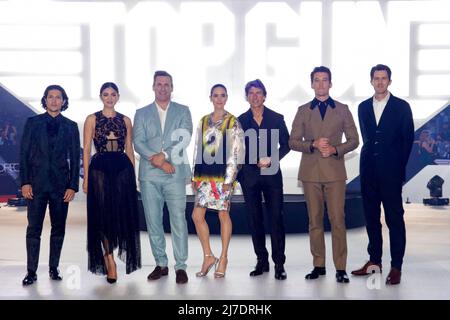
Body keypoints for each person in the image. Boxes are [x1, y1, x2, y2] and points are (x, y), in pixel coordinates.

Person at [289, 66, 359, 283]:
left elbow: (354, 140)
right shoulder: (303, 110)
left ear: (330, 83)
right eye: (317, 80)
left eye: (324, 80)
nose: (320, 84)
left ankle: (340, 267)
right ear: (311, 84)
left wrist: (335, 149)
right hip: (310, 173)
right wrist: (312, 144)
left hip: (335, 172)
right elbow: (292, 141)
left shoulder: (342, 109)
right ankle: (318, 265)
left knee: (338, 220)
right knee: (315, 221)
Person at [351, 64, 414, 285]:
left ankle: (396, 266)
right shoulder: (362, 107)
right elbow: (368, 138)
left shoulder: (402, 107)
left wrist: (398, 169)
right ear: (371, 81)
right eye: (376, 78)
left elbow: (407, 141)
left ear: (389, 81)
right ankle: (374, 262)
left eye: (383, 78)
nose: (379, 82)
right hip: (368, 171)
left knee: (394, 218)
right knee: (371, 218)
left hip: (391, 173)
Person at [133, 70, 192, 284]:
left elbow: (184, 137)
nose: (163, 87)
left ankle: (181, 266)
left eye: (167, 84)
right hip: (149, 174)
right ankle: (161, 263)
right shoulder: (141, 113)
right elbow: (138, 142)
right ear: (153, 87)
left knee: (178, 219)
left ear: (172, 87)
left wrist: (164, 156)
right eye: (159, 84)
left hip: (174, 172)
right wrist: (155, 159)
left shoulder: (183, 111)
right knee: (153, 221)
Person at [20, 85, 80, 286]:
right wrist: (25, 182)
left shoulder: (71, 126)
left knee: (58, 229)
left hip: (61, 187)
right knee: (33, 229)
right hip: (35, 185)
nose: (54, 101)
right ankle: (31, 271)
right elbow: (24, 154)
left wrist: (72, 186)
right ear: (44, 100)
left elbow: (75, 157)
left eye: (58, 97)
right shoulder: (32, 123)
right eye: (51, 97)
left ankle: (54, 268)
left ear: (64, 101)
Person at [82, 82, 141, 284]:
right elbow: (87, 150)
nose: (109, 98)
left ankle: (114, 256)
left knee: (120, 216)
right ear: (101, 96)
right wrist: (86, 179)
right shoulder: (92, 119)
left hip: (122, 170)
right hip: (99, 170)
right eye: (106, 94)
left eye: (113, 94)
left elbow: (129, 149)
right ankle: (109, 260)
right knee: (102, 217)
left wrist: (133, 177)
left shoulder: (125, 120)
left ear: (117, 97)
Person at [237, 79, 290, 280]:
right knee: (254, 220)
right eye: (251, 93)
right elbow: (236, 149)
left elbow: (286, 145)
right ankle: (261, 260)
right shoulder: (240, 121)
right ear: (247, 97)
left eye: (259, 92)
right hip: (249, 177)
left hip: (272, 175)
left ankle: (279, 263)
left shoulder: (276, 118)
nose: (255, 96)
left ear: (265, 96)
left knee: (276, 219)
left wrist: (272, 158)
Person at [191, 84, 244, 278]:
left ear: (227, 97)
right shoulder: (203, 120)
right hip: (204, 176)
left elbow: (236, 152)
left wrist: (229, 179)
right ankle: (208, 256)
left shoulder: (233, 122)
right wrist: (194, 175)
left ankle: (223, 258)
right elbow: (198, 148)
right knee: (197, 216)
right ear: (210, 98)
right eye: (216, 95)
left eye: (222, 95)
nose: (219, 99)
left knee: (223, 215)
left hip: (223, 178)